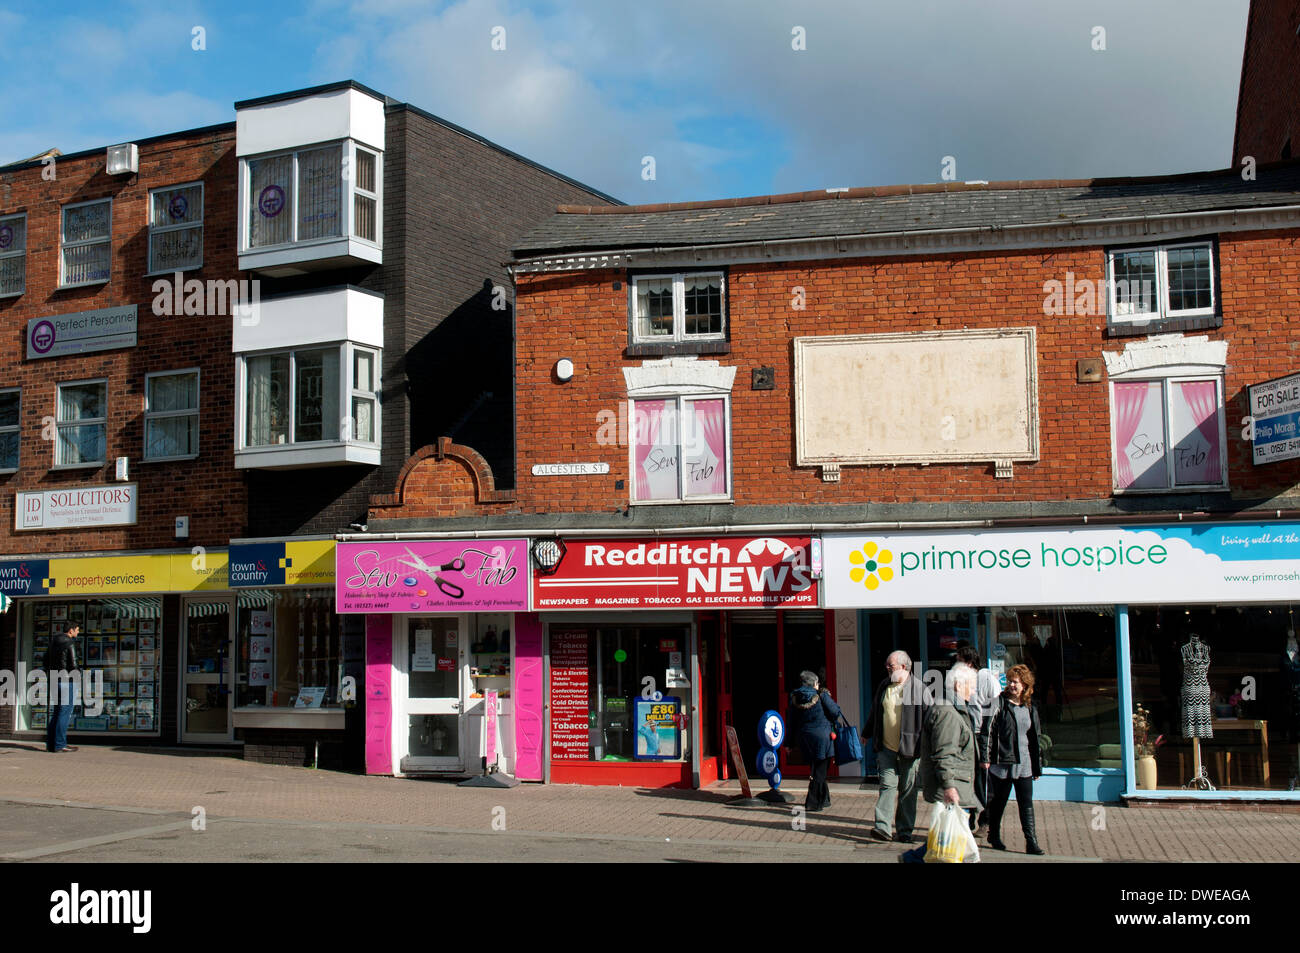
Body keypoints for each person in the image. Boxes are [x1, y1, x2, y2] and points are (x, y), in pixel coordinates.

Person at [899, 662, 981, 862]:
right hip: (955, 785)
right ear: (959, 685)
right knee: (949, 838)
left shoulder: (954, 709)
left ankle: (912, 858)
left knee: (948, 836)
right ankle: (913, 859)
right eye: (972, 685)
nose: (975, 690)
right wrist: (949, 785)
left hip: (959, 782)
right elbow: (943, 753)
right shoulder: (948, 712)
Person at [979, 664, 1045, 855]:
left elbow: (1035, 738)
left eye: (1015, 682)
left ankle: (1031, 841)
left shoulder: (1030, 706)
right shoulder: (998, 703)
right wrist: (985, 757)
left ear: (1025, 685)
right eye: (1009, 681)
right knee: (999, 802)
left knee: (1026, 803)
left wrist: (1037, 766)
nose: (1012, 685)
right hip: (1003, 761)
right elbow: (987, 732)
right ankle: (994, 833)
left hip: (1024, 762)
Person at [864, 650, 925, 842]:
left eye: (891, 666)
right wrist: (867, 733)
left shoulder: (919, 688)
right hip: (886, 747)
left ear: (904, 667)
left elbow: (929, 718)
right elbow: (876, 710)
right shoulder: (884, 685)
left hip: (911, 749)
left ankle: (904, 831)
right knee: (887, 785)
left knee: (908, 790)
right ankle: (882, 827)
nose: (887, 669)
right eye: (887, 665)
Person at [955, 642, 999, 836]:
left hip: (983, 734)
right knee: (969, 779)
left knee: (983, 781)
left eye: (960, 662)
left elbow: (997, 706)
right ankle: (972, 818)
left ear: (970, 663)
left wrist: (988, 734)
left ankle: (986, 820)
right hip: (969, 735)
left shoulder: (985, 677)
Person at [787, 670, 842, 812]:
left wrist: (789, 743)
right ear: (814, 683)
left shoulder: (794, 697)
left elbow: (791, 722)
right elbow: (835, 711)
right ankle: (812, 802)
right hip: (823, 738)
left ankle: (824, 799)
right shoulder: (821, 695)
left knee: (816, 767)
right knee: (820, 770)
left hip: (804, 738)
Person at [45, 623, 81, 754]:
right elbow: (74, 663)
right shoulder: (70, 643)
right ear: (71, 631)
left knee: (57, 711)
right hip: (67, 681)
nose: (78, 632)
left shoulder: (52, 643)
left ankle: (50, 744)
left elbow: (45, 661)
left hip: (54, 679)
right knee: (65, 712)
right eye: (77, 630)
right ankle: (60, 744)